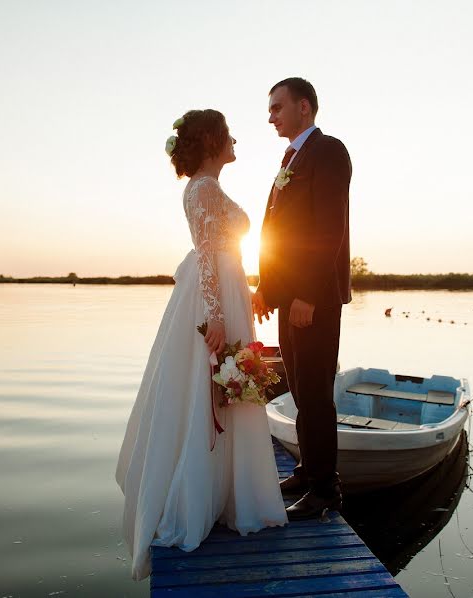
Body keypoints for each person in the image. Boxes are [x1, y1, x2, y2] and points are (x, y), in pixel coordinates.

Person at [116, 109, 287, 580]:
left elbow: (217, 250)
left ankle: (223, 490)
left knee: (218, 391)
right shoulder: (204, 189)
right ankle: (209, 496)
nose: (236, 141)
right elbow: (210, 252)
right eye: (229, 135)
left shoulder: (201, 188)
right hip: (214, 295)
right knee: (211, 389)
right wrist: (214, 313)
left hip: (225, 289)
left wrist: (242, 292)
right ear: (212, 141)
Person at [253, 77, 353, 521]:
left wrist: (310, 295)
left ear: (304, 108)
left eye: (277, 107)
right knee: (299, 389)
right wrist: (268, 288)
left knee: (315, 392)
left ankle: (325, 490)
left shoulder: (328, 151)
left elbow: (328, 229)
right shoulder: (291, 157)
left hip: (313, 299)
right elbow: (280, 233)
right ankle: (306, 470)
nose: (270, 115)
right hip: (290, 295)